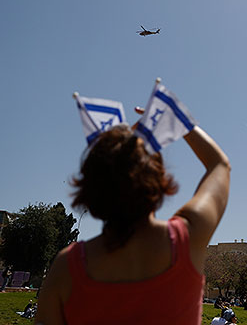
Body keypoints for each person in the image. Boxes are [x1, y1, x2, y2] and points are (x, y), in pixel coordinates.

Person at [34, 117, 231, 325]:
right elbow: (219, 165)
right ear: (157, 179)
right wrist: (176, 119)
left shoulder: (66, 268)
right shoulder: (188, 239)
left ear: (90, 188)